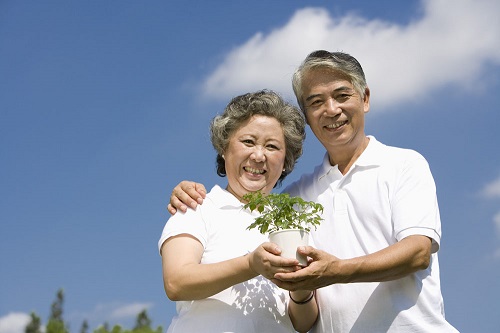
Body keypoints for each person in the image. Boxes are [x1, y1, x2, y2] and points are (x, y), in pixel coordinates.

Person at [167, 51, 459, 332]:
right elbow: (179, 279)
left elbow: (418, 252)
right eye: (316, 101)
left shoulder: (404, 164)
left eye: (342, 95)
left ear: (365, 98)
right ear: (307, 115)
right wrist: (186, 192)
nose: (331, 109)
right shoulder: (294, 202)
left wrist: (333, 272)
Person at [159, 90, 318, 333]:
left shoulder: (292, 221)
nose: (258, 155)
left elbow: (303, 322)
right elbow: (176, 282)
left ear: (286, 161)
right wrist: (251, 265)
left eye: (272, 146)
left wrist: (301, 288)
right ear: (224, 148)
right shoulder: (196, 206)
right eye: (248, 141)